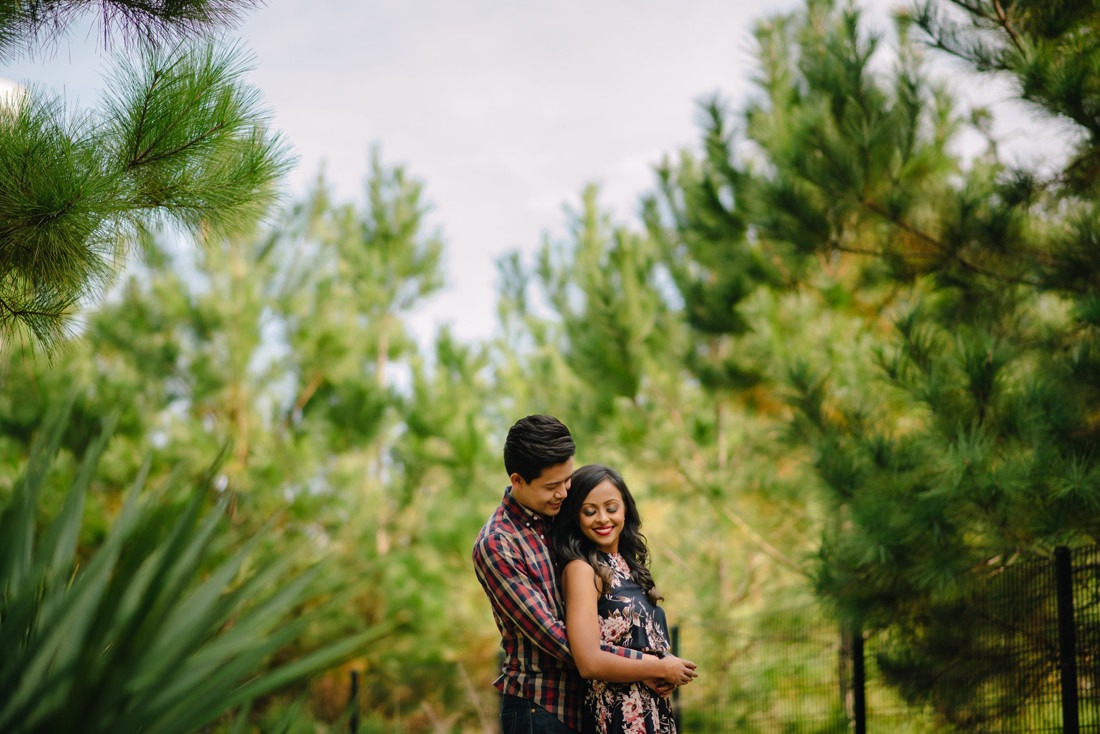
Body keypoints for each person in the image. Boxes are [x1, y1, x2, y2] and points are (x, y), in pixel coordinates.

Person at [473, 415, 697, 734]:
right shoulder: (499, 544)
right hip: (542, 709)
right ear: (518, 480)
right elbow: (555, 636)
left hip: (593, 706)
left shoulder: (561, 517)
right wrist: (644, 665)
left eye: (567, 480)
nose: (564, 493)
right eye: (552, 486)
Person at [552, 463, 694, 734]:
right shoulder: (582, 570)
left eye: (611, 508)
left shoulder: (629, 567)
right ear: (576, 517)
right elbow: (588, 662)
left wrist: (666, 671)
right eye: (589, 511)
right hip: (618, 714)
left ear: (626, 509)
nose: (603, 518)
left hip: (654, 710)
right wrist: (660, 669)